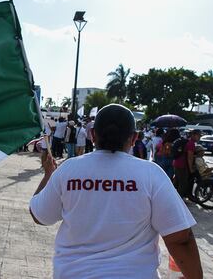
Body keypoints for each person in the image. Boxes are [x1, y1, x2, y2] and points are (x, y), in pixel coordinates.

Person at [29, 104, 202, 279]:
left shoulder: (69, 170)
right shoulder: (151, 174)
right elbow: (180, 239)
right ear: (134, 138)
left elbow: (39, 215)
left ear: (92, 135)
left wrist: (48, 176)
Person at [173, 129, 201, 198]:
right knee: (183, 184)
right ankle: (178, 200)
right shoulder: (191, 143)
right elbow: (190, 157)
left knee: (176, 182)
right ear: (193, 135)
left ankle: (171, 197)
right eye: (198, 135)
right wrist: (191, 169)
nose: (199, 137)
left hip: (176, 163)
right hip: (182, 165)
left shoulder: (187, 141)